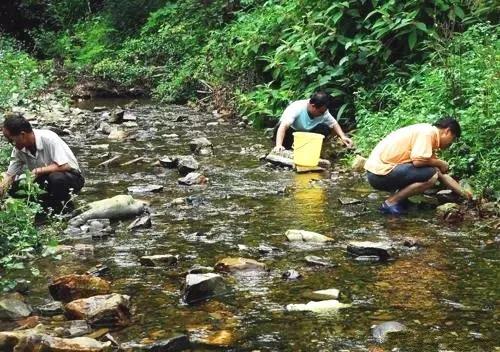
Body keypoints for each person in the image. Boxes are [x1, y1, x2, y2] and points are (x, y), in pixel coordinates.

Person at [364, 117, 472, 215]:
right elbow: (418, 161)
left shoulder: (427, 134)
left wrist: (466, 195)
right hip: (379, 174)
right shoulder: (427, 133)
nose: (450, 144)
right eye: (452, 139)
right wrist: (440, 162)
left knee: (431, 171)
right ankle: (390, 203)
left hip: (378, 172)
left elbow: (441, 174)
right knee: (431, 175)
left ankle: (401, 200)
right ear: (447, 131)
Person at [0, 112, 84, 213]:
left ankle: (65, 210)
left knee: (56, 178)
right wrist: (2, 188)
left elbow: (64, 166)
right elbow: (10, 175)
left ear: (22, 135)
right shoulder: (18, 150)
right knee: (15, 189)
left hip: (70, 177)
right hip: (45, 180)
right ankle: (46, 207)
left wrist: (37, 171)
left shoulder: (48, 138)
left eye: (11, 139)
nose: (10, 143)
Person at [272, 91, 353, 152]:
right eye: (321, 112)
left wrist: (343, 137)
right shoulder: (297, 107)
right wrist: (279, 145)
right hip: (290, 134)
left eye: (324, 112)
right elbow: (283, 127)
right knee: (280, 127)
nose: (323, 115)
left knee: (324, 128)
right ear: (313, 106)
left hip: (306, 136)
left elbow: (334, 123)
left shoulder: (323, 112)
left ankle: (310, 150)